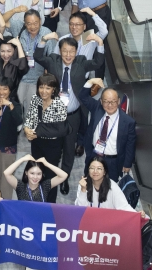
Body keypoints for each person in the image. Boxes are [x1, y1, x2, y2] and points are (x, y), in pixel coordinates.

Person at [35, 32, 106, 195]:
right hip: (53, 115)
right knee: (53, 148)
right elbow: (38, 56)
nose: (68, 55)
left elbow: (99, 62)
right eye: (65, 51)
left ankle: (64, 178)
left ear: (76, 52)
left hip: (73, 116)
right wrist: (44, 39)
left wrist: (100, 43)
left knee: (69, 149)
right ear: (60, 51)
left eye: (71, 51)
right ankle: (50, 178)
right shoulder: (53, 60)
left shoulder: (81, 62)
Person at [23, 74, 70, 202]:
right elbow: (30, 118)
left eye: (48, 88)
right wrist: (26, 128)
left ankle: (50, 205)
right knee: (37, 173)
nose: (44, 91)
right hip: (37, 143)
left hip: (52, 146)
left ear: (54, 89)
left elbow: (60, 130)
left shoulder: (59, 104)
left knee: (50, 177)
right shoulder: (35, 99)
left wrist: (38, 132)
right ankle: (37, 201)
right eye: (41, 87)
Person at [79, 79, 137, 182]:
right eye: (106, 101)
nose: (109, 105)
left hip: (112, 162)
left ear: (118, 101)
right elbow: (83, 96)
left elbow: (130, 144)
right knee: (89, 185)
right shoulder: (97, 108)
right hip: (94, 156)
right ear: (101, 101)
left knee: (109, 190)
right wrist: (90, 82)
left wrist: (127, 163)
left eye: (113, 101)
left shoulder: (128, 122)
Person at [17, 10, 57, 115]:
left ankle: (28, 131)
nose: (32, 27)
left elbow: (51, 58)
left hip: (38, 80)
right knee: (17, 110)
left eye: (35, 23)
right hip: (22, 78)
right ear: (25, 23)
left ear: (40, 21)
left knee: (31, 112)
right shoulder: (23, 34)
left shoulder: (46, 33)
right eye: (28, 23)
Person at [75, 155, 143, 214]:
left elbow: (123, 206)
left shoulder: (112, 186)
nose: (95, 171)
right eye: (92, 168)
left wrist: (137, 214)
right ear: (88, 170)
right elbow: (79, 210)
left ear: (104, 172)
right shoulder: (83, 184)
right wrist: (83, 190)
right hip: (88, 222)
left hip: (107, 223)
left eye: (99, 168)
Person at [3, 154, 67, 202]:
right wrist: (22, 159)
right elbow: (7, 173)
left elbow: (64, 175)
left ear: (42, 174)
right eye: (32, 173)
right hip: (24, 219)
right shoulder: (20, 186)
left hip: (40, 218)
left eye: (39, 174)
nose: (35, 177)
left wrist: (47, 164)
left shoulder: (45, 186)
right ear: (26, 172)